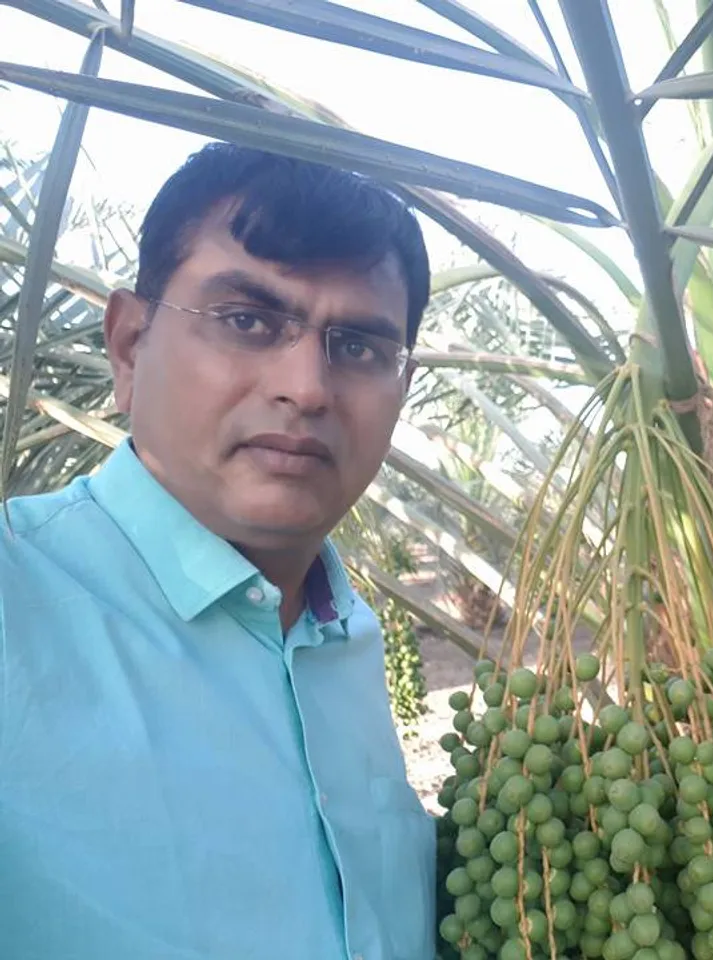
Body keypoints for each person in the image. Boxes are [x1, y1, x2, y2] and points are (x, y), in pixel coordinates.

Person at [0, 142, 437, 960]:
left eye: (359, 348)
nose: (307, 387)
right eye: (248, 321)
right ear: (130, 345)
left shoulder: (346, 639)